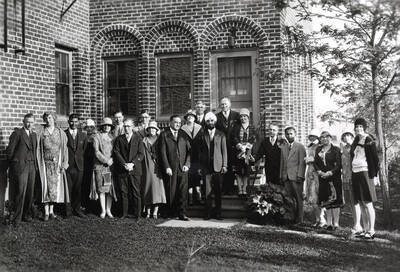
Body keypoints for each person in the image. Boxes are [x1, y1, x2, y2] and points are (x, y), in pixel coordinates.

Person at [6, 113, 38, 225]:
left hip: (32, 166)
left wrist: (35, 165)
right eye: (28, 122)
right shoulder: (17, 133)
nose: (30, 124)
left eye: (32, 122)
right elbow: (10, 151)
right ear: (23, 122)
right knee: (20, 191)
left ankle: (26, 214)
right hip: (20, 166)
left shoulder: (34, 135)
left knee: (30, 191)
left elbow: (35, 151)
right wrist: (13, 165)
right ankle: (16, 217)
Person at [350, 118, 379, 239]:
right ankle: (365, 229)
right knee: (361, 202)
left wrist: (375, 176)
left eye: (361, 127)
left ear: (364, 128)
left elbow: (375, 159)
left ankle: (371, 230)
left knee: (367, 202)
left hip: (365, 172)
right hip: (355, 172)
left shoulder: (369, 139)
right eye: (356, 127)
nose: (358, 129)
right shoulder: (356, 140)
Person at [37, 112, 69, 221]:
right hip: (45, 164)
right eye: (46, 118)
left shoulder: (60, 132)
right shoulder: (41, 132)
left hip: (57, 164)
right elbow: (38, 148)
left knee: (55, 187)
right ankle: (46, 212)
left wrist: (64, 163)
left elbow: (64, 149)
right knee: (46, 187)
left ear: (54, 119)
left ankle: (52, 211)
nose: (48, 120)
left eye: (50, 118)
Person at [196, 112, 228, 220]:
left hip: (218, 166)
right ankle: (208, 213)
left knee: (218, 191)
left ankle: (218, 213)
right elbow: (199, 152)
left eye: (212, 121)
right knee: (207, 191)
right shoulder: (202, 134)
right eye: (208, 121)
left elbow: (224, 151)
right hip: (206, 167)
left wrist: (224, 165)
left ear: (215, 121)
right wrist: (200, 167)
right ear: (206, 122)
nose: (210, 123)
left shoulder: (221, 134)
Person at [160, 115, 191, 221]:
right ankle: (170, 212)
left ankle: (182, 213)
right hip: (171, 168)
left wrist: (187, 164)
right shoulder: (164, 134)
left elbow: (189, 151)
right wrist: (167, 166)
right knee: (171, 190)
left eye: (179, 122)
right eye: (175, 122)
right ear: (170, 123)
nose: (178, 124)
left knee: (183, 191)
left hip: (183, 168)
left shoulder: (183, 134)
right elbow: (162, 153)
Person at [113, 118, 145, 219]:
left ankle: (137, 214)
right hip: (123, 169)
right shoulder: (119, 139)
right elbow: (116, 152)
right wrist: (124, 164)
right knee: (124, 192)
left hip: (135, 169)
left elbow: (141, 153)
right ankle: (124, 213)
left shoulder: (138, 138)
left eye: (129, 126)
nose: (127, 128)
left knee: (136, 192)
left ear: (133, 127)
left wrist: (132, 164)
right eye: (125, 126)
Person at [314, 131, 343, 230]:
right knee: (327, 200)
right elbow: (315, 163)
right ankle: (329, 223)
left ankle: (336, 223)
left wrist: (330, 172)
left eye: (327, 137)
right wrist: (319, 172)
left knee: (335, 200)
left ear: (330, 138)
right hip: (322, 177)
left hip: (334, 178)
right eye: (322, 137)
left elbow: (339, 164)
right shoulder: (318, 149)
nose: (324, 139)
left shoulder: (336, 149)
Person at [280, 126, 306, 224]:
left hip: (296, 177)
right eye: (287, 134)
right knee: (288, 198)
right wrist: (281, 175)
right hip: (286, 177)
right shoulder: (284, 147)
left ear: (295, 134)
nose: (289, 136)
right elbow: (282, 163)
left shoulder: (300, 147)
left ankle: (300, 219)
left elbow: (301, 163)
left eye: (291, 133)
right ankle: (290, 217)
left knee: (298, 198)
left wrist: (300, 175)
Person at [92, 117, 117, 218]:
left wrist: (112, 160)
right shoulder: (97, 137)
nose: (107, 127)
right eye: (105, 125)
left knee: (109, 189)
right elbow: (96, 152)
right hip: (101, 166)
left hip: (110, 167)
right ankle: (103, 210)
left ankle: (108, 210)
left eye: (109, 126)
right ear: (102, 126)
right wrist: (106, 160)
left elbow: (116, 151)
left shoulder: (113, 138)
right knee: (101, 188)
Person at [215, 97, 240, 195]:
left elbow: (238, 130)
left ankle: (231, 188)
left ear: (229, 105)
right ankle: (224, 188)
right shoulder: (217, 116)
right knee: (223, 166)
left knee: (232, 167)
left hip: (233, 145)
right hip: (221, 145)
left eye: (225, 104)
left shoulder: (236, 115)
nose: (224, 106)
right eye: (222, 104)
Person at [65, 114, 87, 218]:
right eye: (72, 121)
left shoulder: (83, 135)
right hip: (68, 165)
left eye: (76, 121)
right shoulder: (64, 134)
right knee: (68, 188)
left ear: (78, 122)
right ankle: (68, 211)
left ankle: (77, 209)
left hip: (79, 165)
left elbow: (84, 150)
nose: (74, 123)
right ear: (68, 122)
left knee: (78, 189)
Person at [142, 121, 166, 219]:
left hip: (157, 166)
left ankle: (155, 211)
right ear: (148, 130)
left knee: (157, 188)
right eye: (150, 128)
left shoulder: (160, 140)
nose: (152, 130)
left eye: (154, 128)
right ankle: (148, 211)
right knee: (148, 186)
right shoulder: (144, 140)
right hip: (147, 165)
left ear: (157, 130)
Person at [231, 108, 256, 196]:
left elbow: (253, 138)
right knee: (238, 172)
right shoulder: (236, 127)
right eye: (241, 117)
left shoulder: (252, 127)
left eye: (245, 116)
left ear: (248, 117)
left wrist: (247, 146)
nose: (243, 118)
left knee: (246, 172)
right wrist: (240, 145)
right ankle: (239, 189)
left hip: (248, 152)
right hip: (239, 151)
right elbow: (234, 137)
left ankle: (244, 189)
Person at [304, 129, 326, 227]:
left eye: (314, 136)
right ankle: (317, 219)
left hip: (318, 173)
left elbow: (321, 159)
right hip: (310, 172)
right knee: (312, 197)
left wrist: (311, 159)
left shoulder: (321, 147)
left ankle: (322, 219)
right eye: (310, 136)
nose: (312, 138)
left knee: (317, 196)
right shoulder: (310, 146)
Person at [181, 109, 203, 205]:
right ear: (186, 118)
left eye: (192, 116)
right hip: (187, 156)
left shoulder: (200, 128)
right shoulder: (182, 129)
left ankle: (198, 197)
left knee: (197, 177)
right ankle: (190, 199)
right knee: (189, 177)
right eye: (188, 116)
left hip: (198, 156)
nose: (190, 117)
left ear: (195, 118)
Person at [341, 131, 358, 229]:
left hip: (354, 176)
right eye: (344, 136)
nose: (346, 137)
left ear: (352, 136)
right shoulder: (344, 148)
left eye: (348, 135)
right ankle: (355, 222)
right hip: (345, 177)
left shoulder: (355, 147)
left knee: (355, 200)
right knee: (350, 201)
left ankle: (358, 224)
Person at [81, 119, 97, 213]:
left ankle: (93, 205)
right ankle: (84, 204)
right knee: (85, 183)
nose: (89, 129)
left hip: (93, 162)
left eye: (91, 127)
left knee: (93, 183)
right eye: (88, 127)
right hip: (84, 162)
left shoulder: (96, 137)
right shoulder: (84, 137)